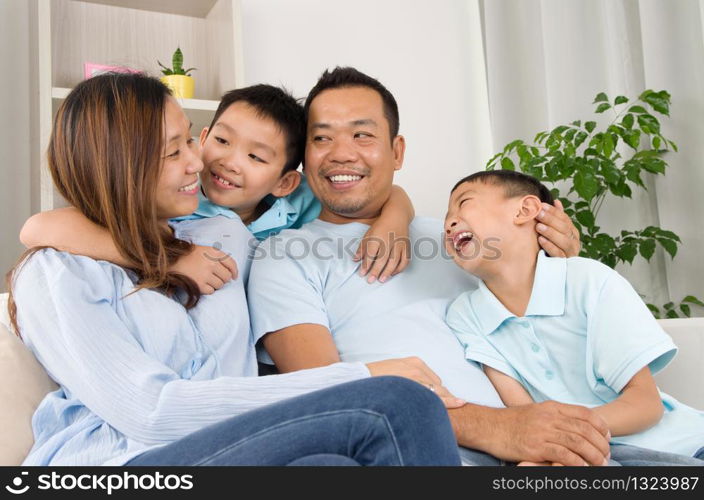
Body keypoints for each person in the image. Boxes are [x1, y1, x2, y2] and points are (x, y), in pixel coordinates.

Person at [5, 73, 463, 466]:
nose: (199, 160)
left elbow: (350, 196)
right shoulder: (58, 272)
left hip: (230, 447)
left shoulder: (226, 234)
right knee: (398, 404)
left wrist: (396, 214)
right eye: (174, 152)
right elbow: (152, 414)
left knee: (329, 466)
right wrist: (363, 378)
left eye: (189, 138)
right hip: (119, 463)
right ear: (119, 164)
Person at [246, 67, 628, 466]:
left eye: (362, 134)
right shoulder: (284, 255)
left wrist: (562, 261)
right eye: (322, 137)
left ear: (397, 151)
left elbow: (558, 330)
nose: (341, 153)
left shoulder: (461, 237)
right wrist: (503, 428)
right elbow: (326, 394)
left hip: (557, 441)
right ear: (304, 157)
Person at [20, 84, 417, 292]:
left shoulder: (299, 203)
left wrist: (395, 219)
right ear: (204, 136)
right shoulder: (175, 205)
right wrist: (166, 260)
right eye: (222, 142)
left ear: (285, 182)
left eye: (256, 158)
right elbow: (36, 228)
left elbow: (377, 193)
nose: (228, 162)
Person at [443, 169, 704, 465]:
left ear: (525, 210)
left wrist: (567, 432)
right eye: (445, 218)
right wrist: (550, 448)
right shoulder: (465, 315)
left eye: (463, 203)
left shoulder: (588, 280)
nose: (449, 223)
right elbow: (526, 417)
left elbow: (645, 404)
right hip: (585, 454)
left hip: (679, 445)